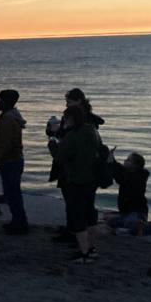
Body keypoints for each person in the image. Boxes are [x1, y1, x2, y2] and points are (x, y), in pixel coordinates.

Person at [46, 88, 105, 243]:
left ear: (78, 101)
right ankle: (75, 231)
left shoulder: (81, 123)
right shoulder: (87, 125)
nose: (66, 105)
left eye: (69, 101)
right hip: (84, 169)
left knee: (76, 203)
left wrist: (54, 135)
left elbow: (68, 143)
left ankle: (77, 233)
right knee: (80, 203)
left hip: (75, 168)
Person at [0, 89, 29, 234]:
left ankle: (20, 223)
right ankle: (18, 220)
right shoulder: (10, 116)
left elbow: (6, 144)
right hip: (13, 160)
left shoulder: (8, 119)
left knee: (12, 193)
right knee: (12, 193)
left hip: (10, 161)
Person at [106, 150, 151, 234]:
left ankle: (148, 228)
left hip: (137, 213)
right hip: (127, 213)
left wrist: (111, 163)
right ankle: (134, 226)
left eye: (128, 160)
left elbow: (121, 178)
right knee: (110, 221)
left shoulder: (137, 178)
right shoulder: (130, 173)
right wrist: (112, 160)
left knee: (129, 223)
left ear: (135, 166)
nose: (125, 161)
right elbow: (119, 169)